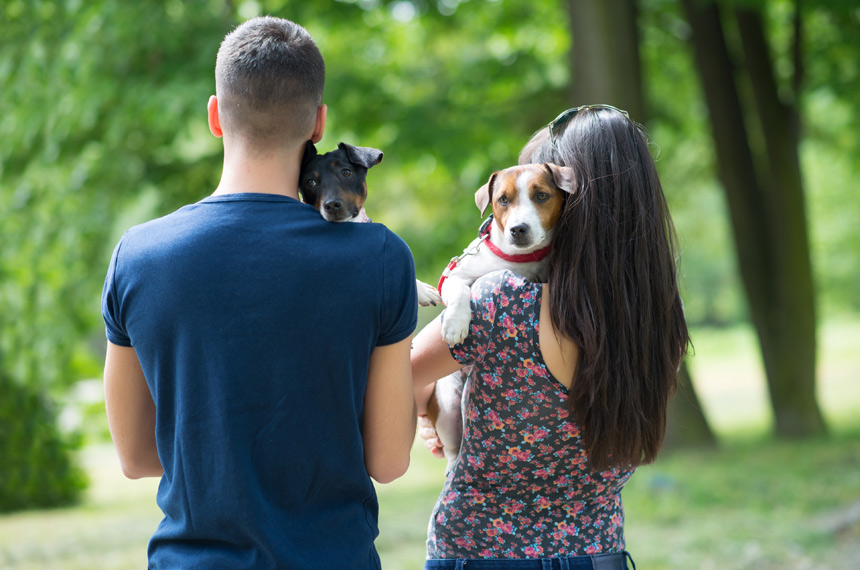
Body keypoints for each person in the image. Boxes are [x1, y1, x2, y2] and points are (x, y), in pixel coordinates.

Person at [101, 17, 418, 569]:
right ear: (318, 123)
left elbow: (134, 455)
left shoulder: (140, 256)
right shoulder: (381, 258)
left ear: (215, 117)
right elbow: (388, 460)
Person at [412, 105, 690, 569]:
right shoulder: (661, 316)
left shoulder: (501, 299)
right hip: (599, 553)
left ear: (574, 200)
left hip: (483, 552)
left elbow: (398, 375)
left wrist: (429, 405)